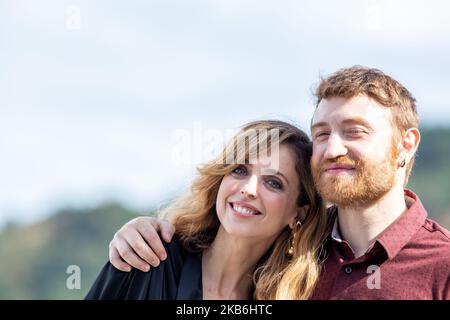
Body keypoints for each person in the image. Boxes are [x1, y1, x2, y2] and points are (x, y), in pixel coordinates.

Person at [108, 66, 450, 299]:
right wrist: (140, 231)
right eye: (322, 134)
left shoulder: (442, 266)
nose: (333, 149)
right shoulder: (292, 253)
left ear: (405, 145)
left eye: (353, 132)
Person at [86, 120, 328, 300]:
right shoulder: (148, 257)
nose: (249, 189)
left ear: (299, 214)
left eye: (273, 183)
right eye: (240, 170)